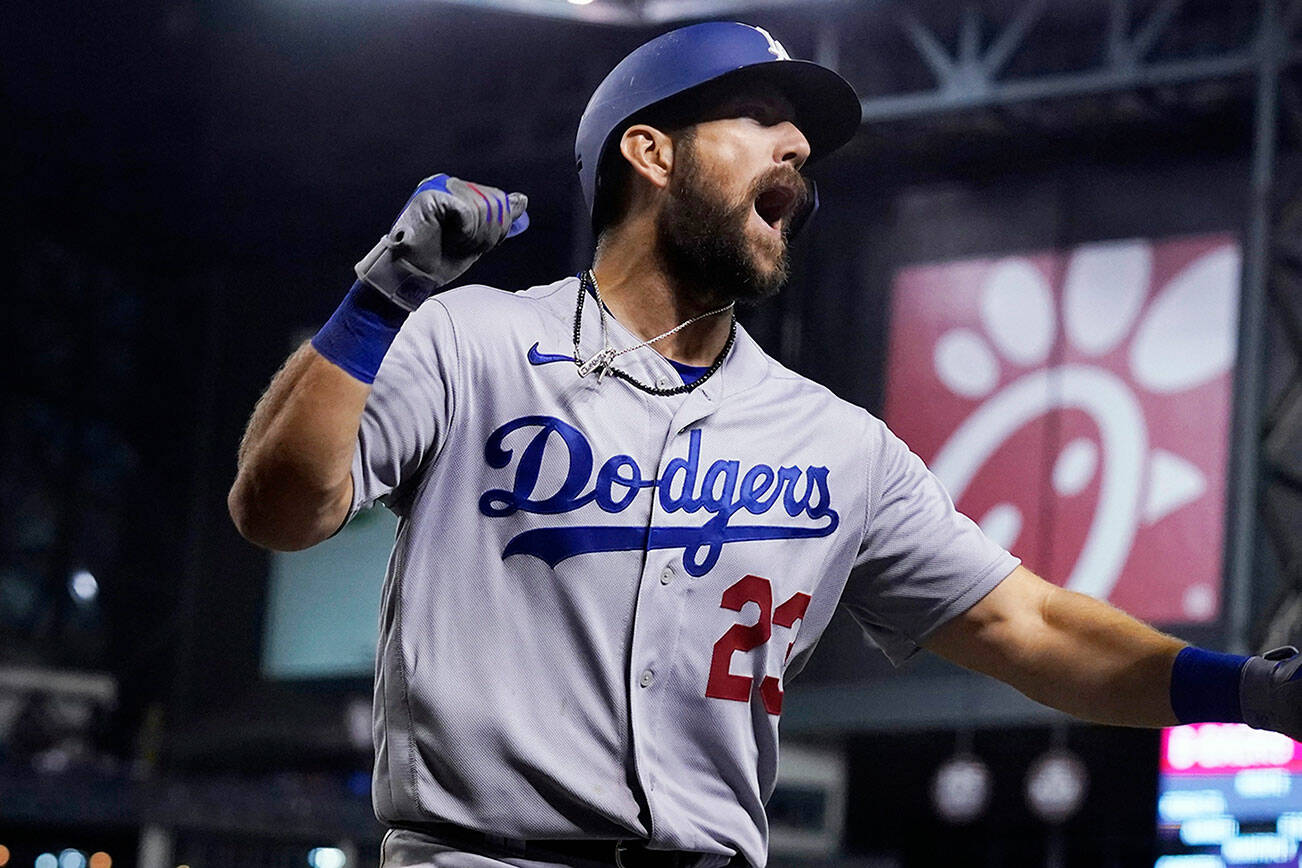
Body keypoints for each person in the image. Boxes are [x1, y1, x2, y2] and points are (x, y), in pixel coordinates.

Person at [228, 21, 1302, 868]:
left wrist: (1246, 691)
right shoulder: (474, 338)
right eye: (757, 117)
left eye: (803, 139)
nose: (798, 147)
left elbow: (1026, 623)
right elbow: (280, 509)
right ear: (650, 152)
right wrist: (385, 296)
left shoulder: (839, 442)